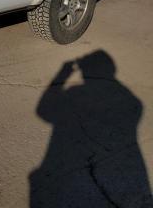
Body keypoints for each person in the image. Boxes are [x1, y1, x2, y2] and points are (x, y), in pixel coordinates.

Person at [30, 50, 152, 207]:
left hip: (79, 165)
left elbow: (43, 111)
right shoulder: (132, 100)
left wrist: (63, 73)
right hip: (125, 165)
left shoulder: (76, 92)